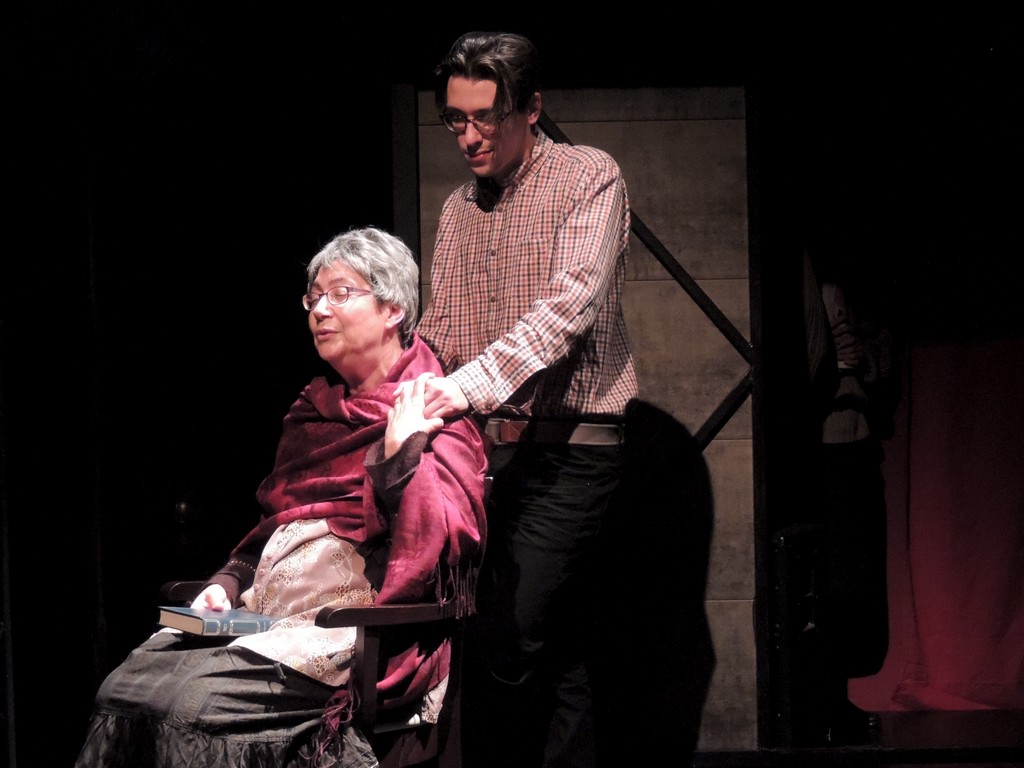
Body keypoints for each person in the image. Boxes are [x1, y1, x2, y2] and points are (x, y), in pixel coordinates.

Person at [74, 227, 488, 768]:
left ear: (393, 310)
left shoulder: (433, 412)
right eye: (313, 297)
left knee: (193, 707)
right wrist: (226, 585)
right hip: (264, 621)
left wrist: (398, 456)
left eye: (340, 293)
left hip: (347, 635)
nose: (320, 310)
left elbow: (443, 546)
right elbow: (272, 526)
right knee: (124, 689)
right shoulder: (313, 414)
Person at [400, 31, 638, 768]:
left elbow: (568, 311)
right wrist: (396, 392)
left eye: (486, 117)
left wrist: (460, 389)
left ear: (530, 108)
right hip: (488, 460)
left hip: (571, 453)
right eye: (455, 119)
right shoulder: (456, 209)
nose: (469, 137)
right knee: (554, 651)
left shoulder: (588, 177)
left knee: (507, 636)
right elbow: (441, 331)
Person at [803, 244, 900, 746]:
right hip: (822, 453)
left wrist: (858, 352)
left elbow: (882, 361)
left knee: (858, 586)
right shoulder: (804, 281)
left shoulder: (853, 288)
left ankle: (835, 694)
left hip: (856, 449)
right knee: (831, 585)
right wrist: (829, 362)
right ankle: (820, 698)